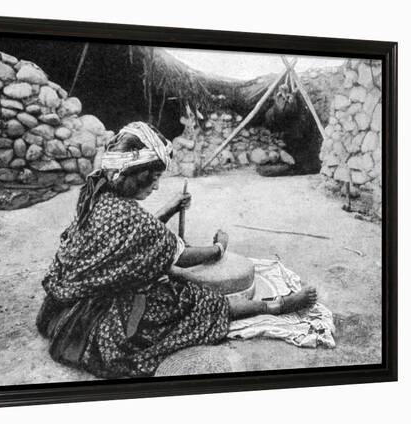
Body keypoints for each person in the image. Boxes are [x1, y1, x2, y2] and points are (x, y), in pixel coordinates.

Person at [36, 121, 317, 378]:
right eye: (153, 177)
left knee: (167, 274)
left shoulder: (96, 195)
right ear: (130, 173)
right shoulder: (132, 218)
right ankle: (277, 306)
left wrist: (169, 209)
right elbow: (180, 256)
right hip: (97, 316)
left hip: (61, 306)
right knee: (194, 299)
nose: (157, 186)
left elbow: (131, 240)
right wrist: (219, 247)